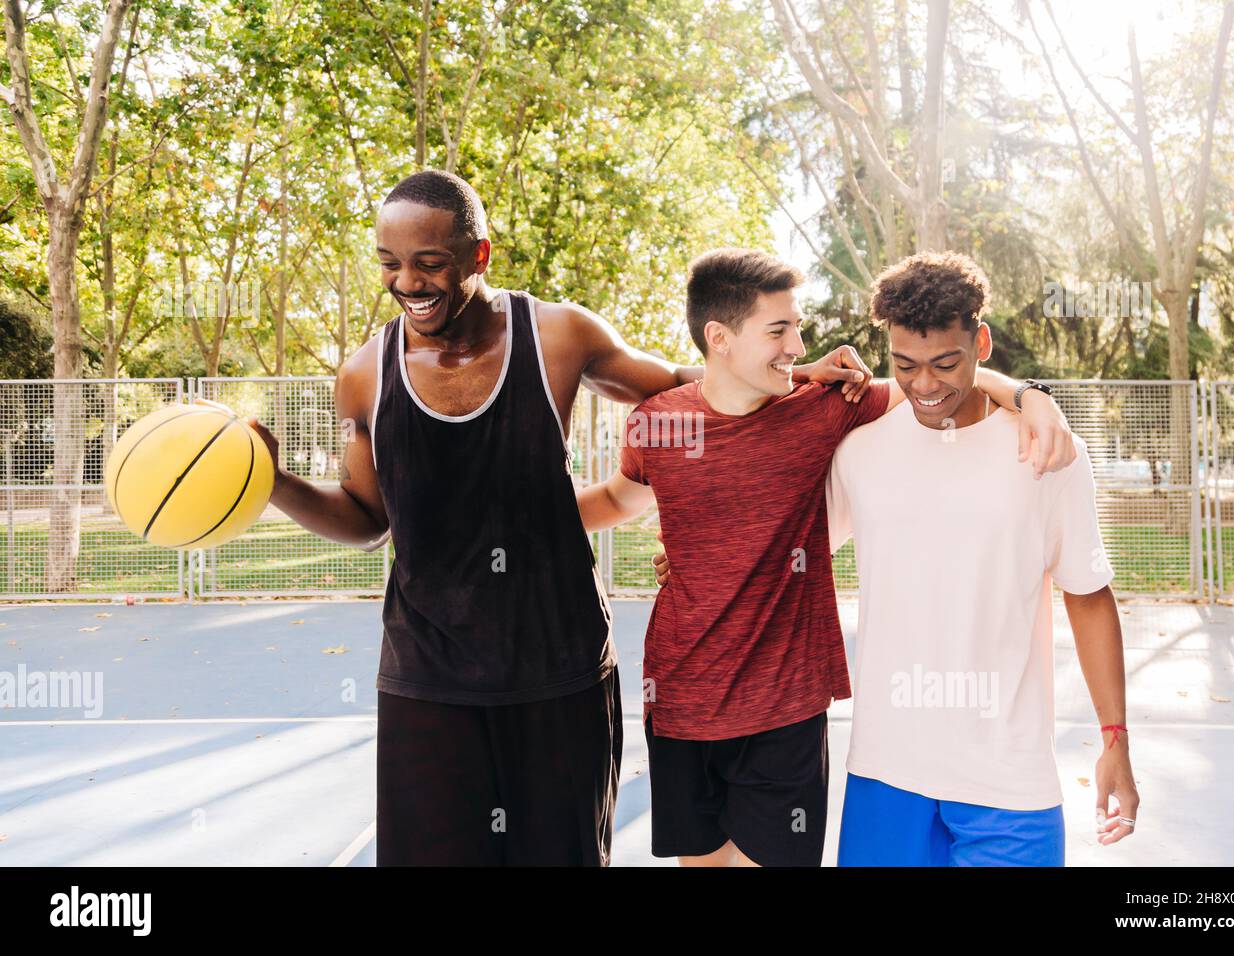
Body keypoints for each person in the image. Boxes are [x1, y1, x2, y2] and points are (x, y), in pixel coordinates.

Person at [245, 171, 871, 866]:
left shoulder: (558, 335)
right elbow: (365, 520)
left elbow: (686, 391)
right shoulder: (365, 373)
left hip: (560, 669)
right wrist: (271, 481)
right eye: (390, 264)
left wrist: (790, 372)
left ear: (479, 257)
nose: (407, 282)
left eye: (429, 263)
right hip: (429, 677)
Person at [578, 247, 1077, 867]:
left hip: (786, 705)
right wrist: (510, 515)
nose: (798, 343)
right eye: (780, 329)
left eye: (798, 327)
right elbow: (614, 499)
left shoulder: (824, 410)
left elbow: (940, 380)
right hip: (683, 698)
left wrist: (1032, 395)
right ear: (720, 338)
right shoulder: (659, 423)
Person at [825, 252, 1138, 865]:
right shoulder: (859, 454)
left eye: (946, 363)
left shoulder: (1047, 451)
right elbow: (787, 542)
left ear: (982, 343)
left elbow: (1088, 594)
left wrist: (1115, 741)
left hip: (1009, 780)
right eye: (905, 365)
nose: (924, 385)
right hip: (886, 770)